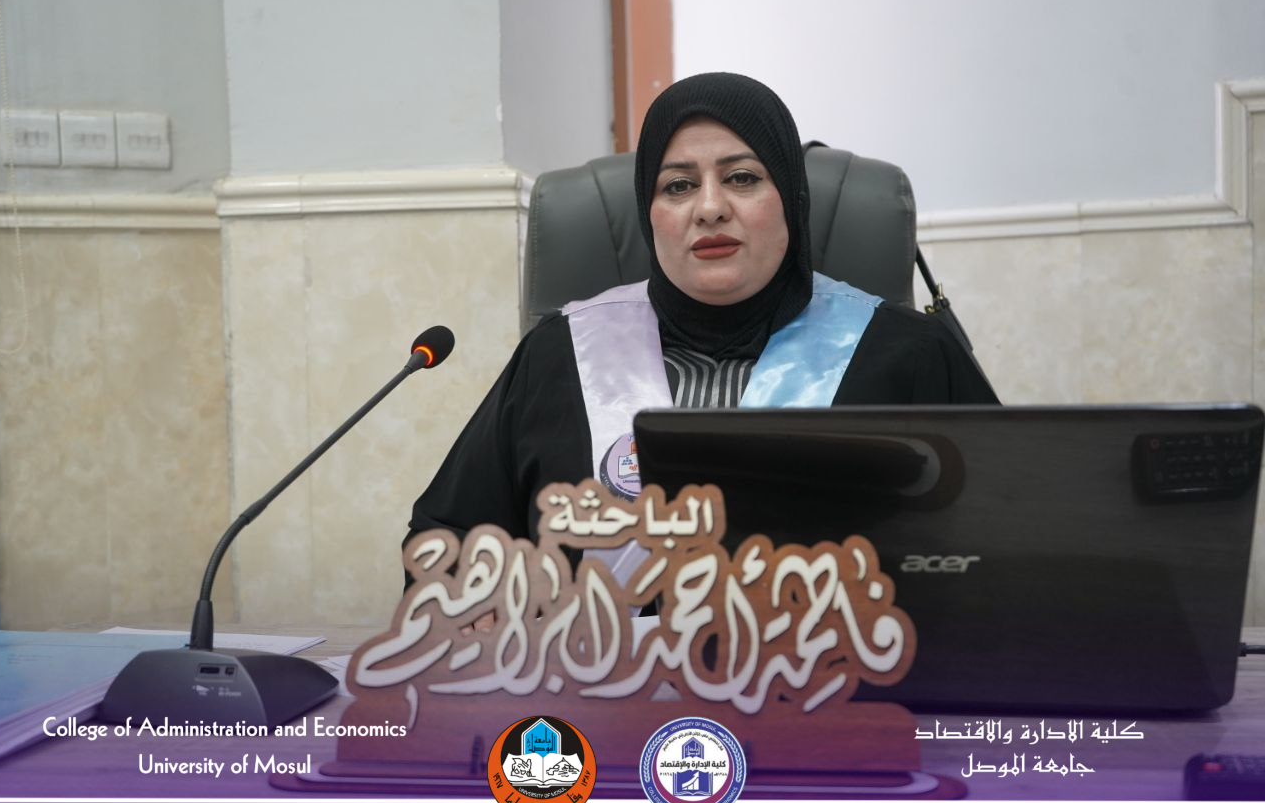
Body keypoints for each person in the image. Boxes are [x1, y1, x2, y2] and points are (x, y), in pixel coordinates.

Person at [405, 72, 997, 568]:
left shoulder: (907, 357)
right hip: (594, 675)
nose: (710, 208)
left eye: (742, 178)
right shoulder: (558, 355)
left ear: (792, 200)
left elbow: (1006, 547)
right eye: (679, 185)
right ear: (649, 212)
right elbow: (448, 542)